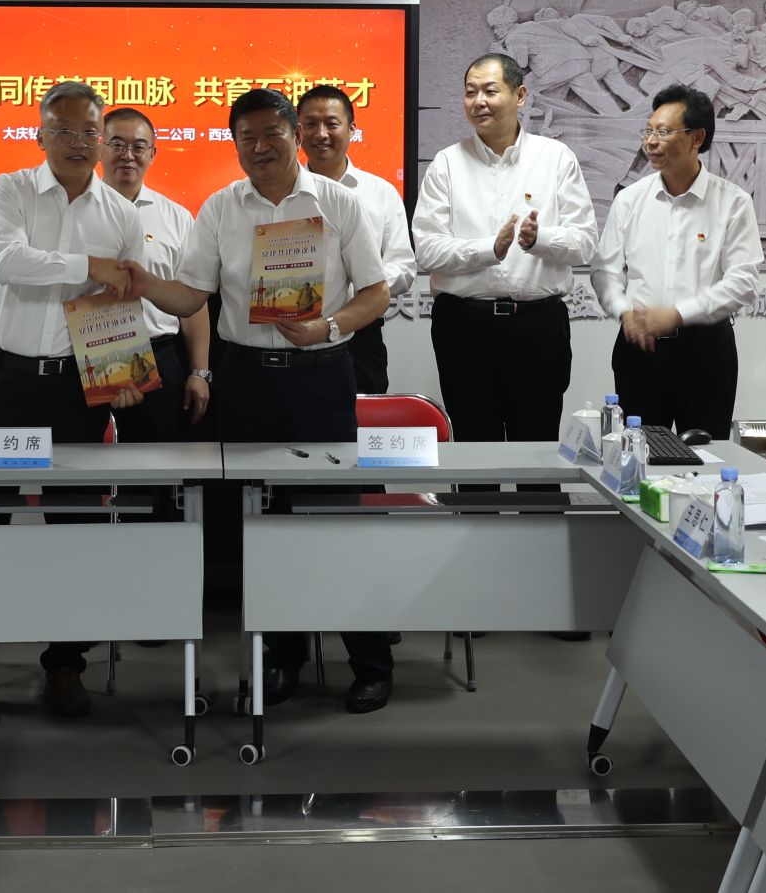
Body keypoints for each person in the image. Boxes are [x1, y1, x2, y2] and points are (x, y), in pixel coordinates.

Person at [130, 89, 396, 713]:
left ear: (294, 135)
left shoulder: (339, 202)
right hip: (246, 379)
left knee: (336, 521)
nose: (259, 146)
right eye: (245, 137)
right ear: (235, 145)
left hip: (320, 378)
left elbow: (376, 292)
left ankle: (370, 662)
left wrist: (329, 327)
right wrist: (143, 285)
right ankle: (280, 657)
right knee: (259, 523)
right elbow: (191, 296)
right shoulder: (220, 208)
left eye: (271, 133)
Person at [0, 82, 147, 727]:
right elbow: (7, 263)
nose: (79, 143)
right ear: (40, 135)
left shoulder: (121, 214)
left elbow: (121, 303)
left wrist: (123, 375)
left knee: (78, 525)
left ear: (101, 138)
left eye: (89, 131)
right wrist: (90, 264)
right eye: (64, 130)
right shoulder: (8, 191)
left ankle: (66, 662)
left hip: (75, 388)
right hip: (1, 380)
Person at [413, 54, 597, 455]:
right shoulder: (447, 164)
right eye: (470, 92)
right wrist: (489, 250)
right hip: (464, 327)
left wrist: (538, 240)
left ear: (520, 96)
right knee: (474, 452)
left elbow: (585, 241)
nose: (478, 101)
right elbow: (426, 249)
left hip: (538, 327)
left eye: (490, 91)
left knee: (538, 452)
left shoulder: (555, 158)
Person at [589, 84, 760, 443]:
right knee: (638, 453)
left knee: (707, 455)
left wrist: (678, 314)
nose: (651, 142)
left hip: (705, 351)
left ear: (697, 137)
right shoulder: (630, 200)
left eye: (664, 132)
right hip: (640, 347)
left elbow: (742, 282)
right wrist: (623, 311)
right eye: (648, 131)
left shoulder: (733, 202)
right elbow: (605, 271)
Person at [100, 107, 210, 439]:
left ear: (153, 153)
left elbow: (193, 301)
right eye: (117, 144)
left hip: (160, 357)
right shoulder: (73, 213)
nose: (127, 155)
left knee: (159, 461)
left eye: (138, 146)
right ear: (100, 147)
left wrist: (199, 372)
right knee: (83, 461)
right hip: (87, 356)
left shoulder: (177, 218)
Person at [297, 84, 415, 393]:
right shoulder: (282, 192)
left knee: (362, 417)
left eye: (331, 123)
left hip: (361, 334)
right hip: (295, 333)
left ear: (351, 129)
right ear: (297, 131)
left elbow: (403, 267)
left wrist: (360, 288)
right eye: (311, 124)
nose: (321, 133)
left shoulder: (380, 192)